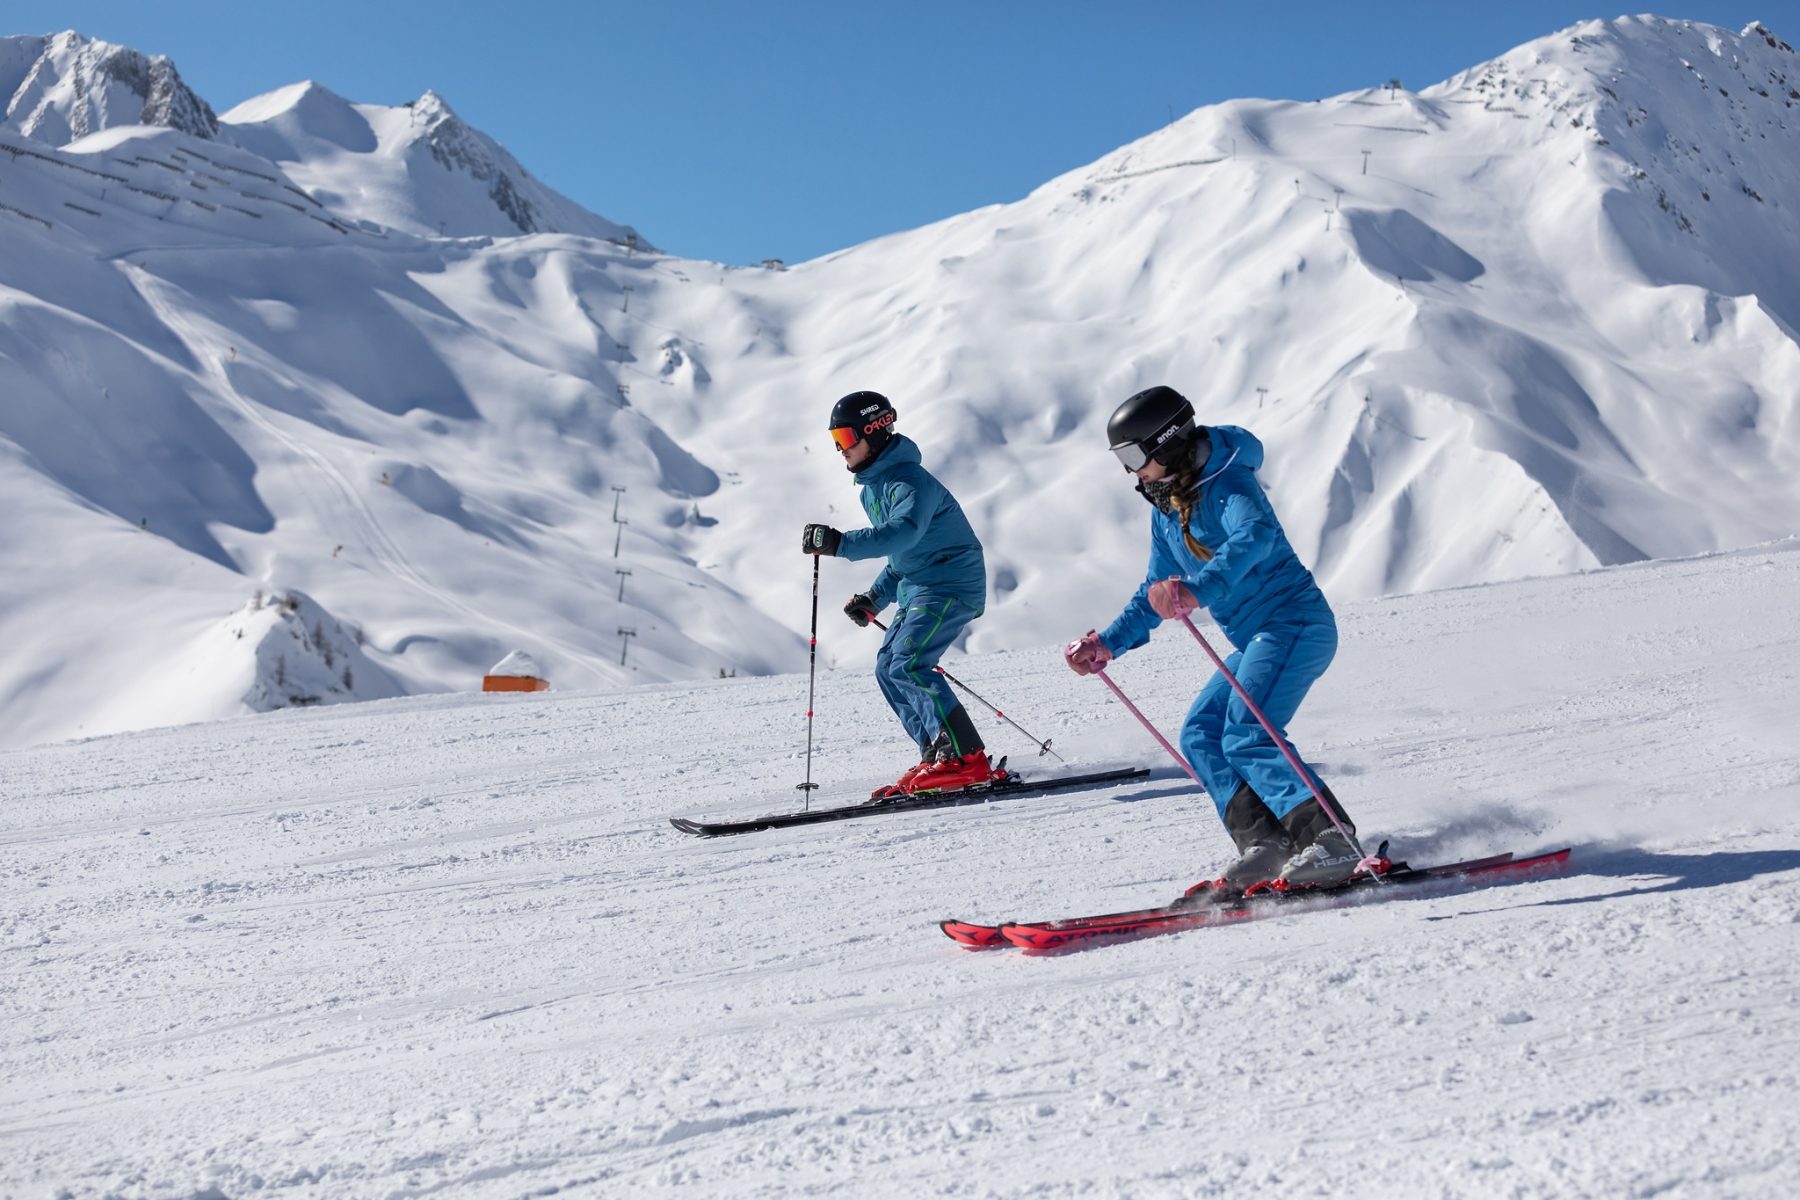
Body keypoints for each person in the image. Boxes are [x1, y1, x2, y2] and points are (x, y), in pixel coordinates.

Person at [1064, 385, 1362, 890]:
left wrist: (1199, 588)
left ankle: (1332, 839)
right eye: (1121, 459)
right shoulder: (1167, 511)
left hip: (1294, 624)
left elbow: (1255, 538)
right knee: (1201, 735)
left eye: (1135, 455)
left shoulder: (1230, 484)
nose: (1131, 471)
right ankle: (1267, 843)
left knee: (1248, 733)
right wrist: (1107, 643)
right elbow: (1154, 591)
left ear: (1167, 444)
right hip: (1255, 640)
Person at [801, 391, 1001, 796]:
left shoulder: (909, 481)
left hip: (950, 585)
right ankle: (936, 754)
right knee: (888, 666)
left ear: (873, 432)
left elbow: (903, 532)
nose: (840, 450)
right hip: (921, 586)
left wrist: (840, 543)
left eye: (844, 437)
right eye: (835, 441)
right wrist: (875, 598)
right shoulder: (875, 488)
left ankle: (965, 758)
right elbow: (902, 555)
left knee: (909, 663)